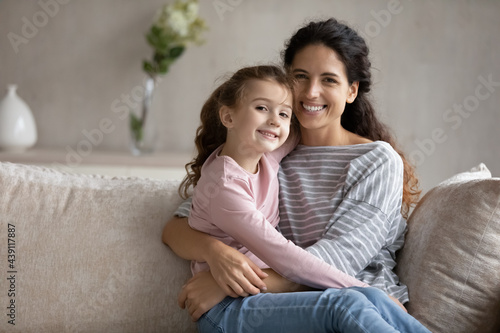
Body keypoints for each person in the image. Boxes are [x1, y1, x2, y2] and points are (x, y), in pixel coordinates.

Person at [163, 18, 428, 333]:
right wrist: (216, 254)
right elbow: (180, 225)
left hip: (354, 301)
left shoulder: (376, 161)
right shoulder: (265, 150)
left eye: (329, 80)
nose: (312, 91)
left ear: (352, 90)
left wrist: (234, 283)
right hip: (290, 307)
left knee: (353, 305)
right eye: (300, 76)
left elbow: (339, 258)